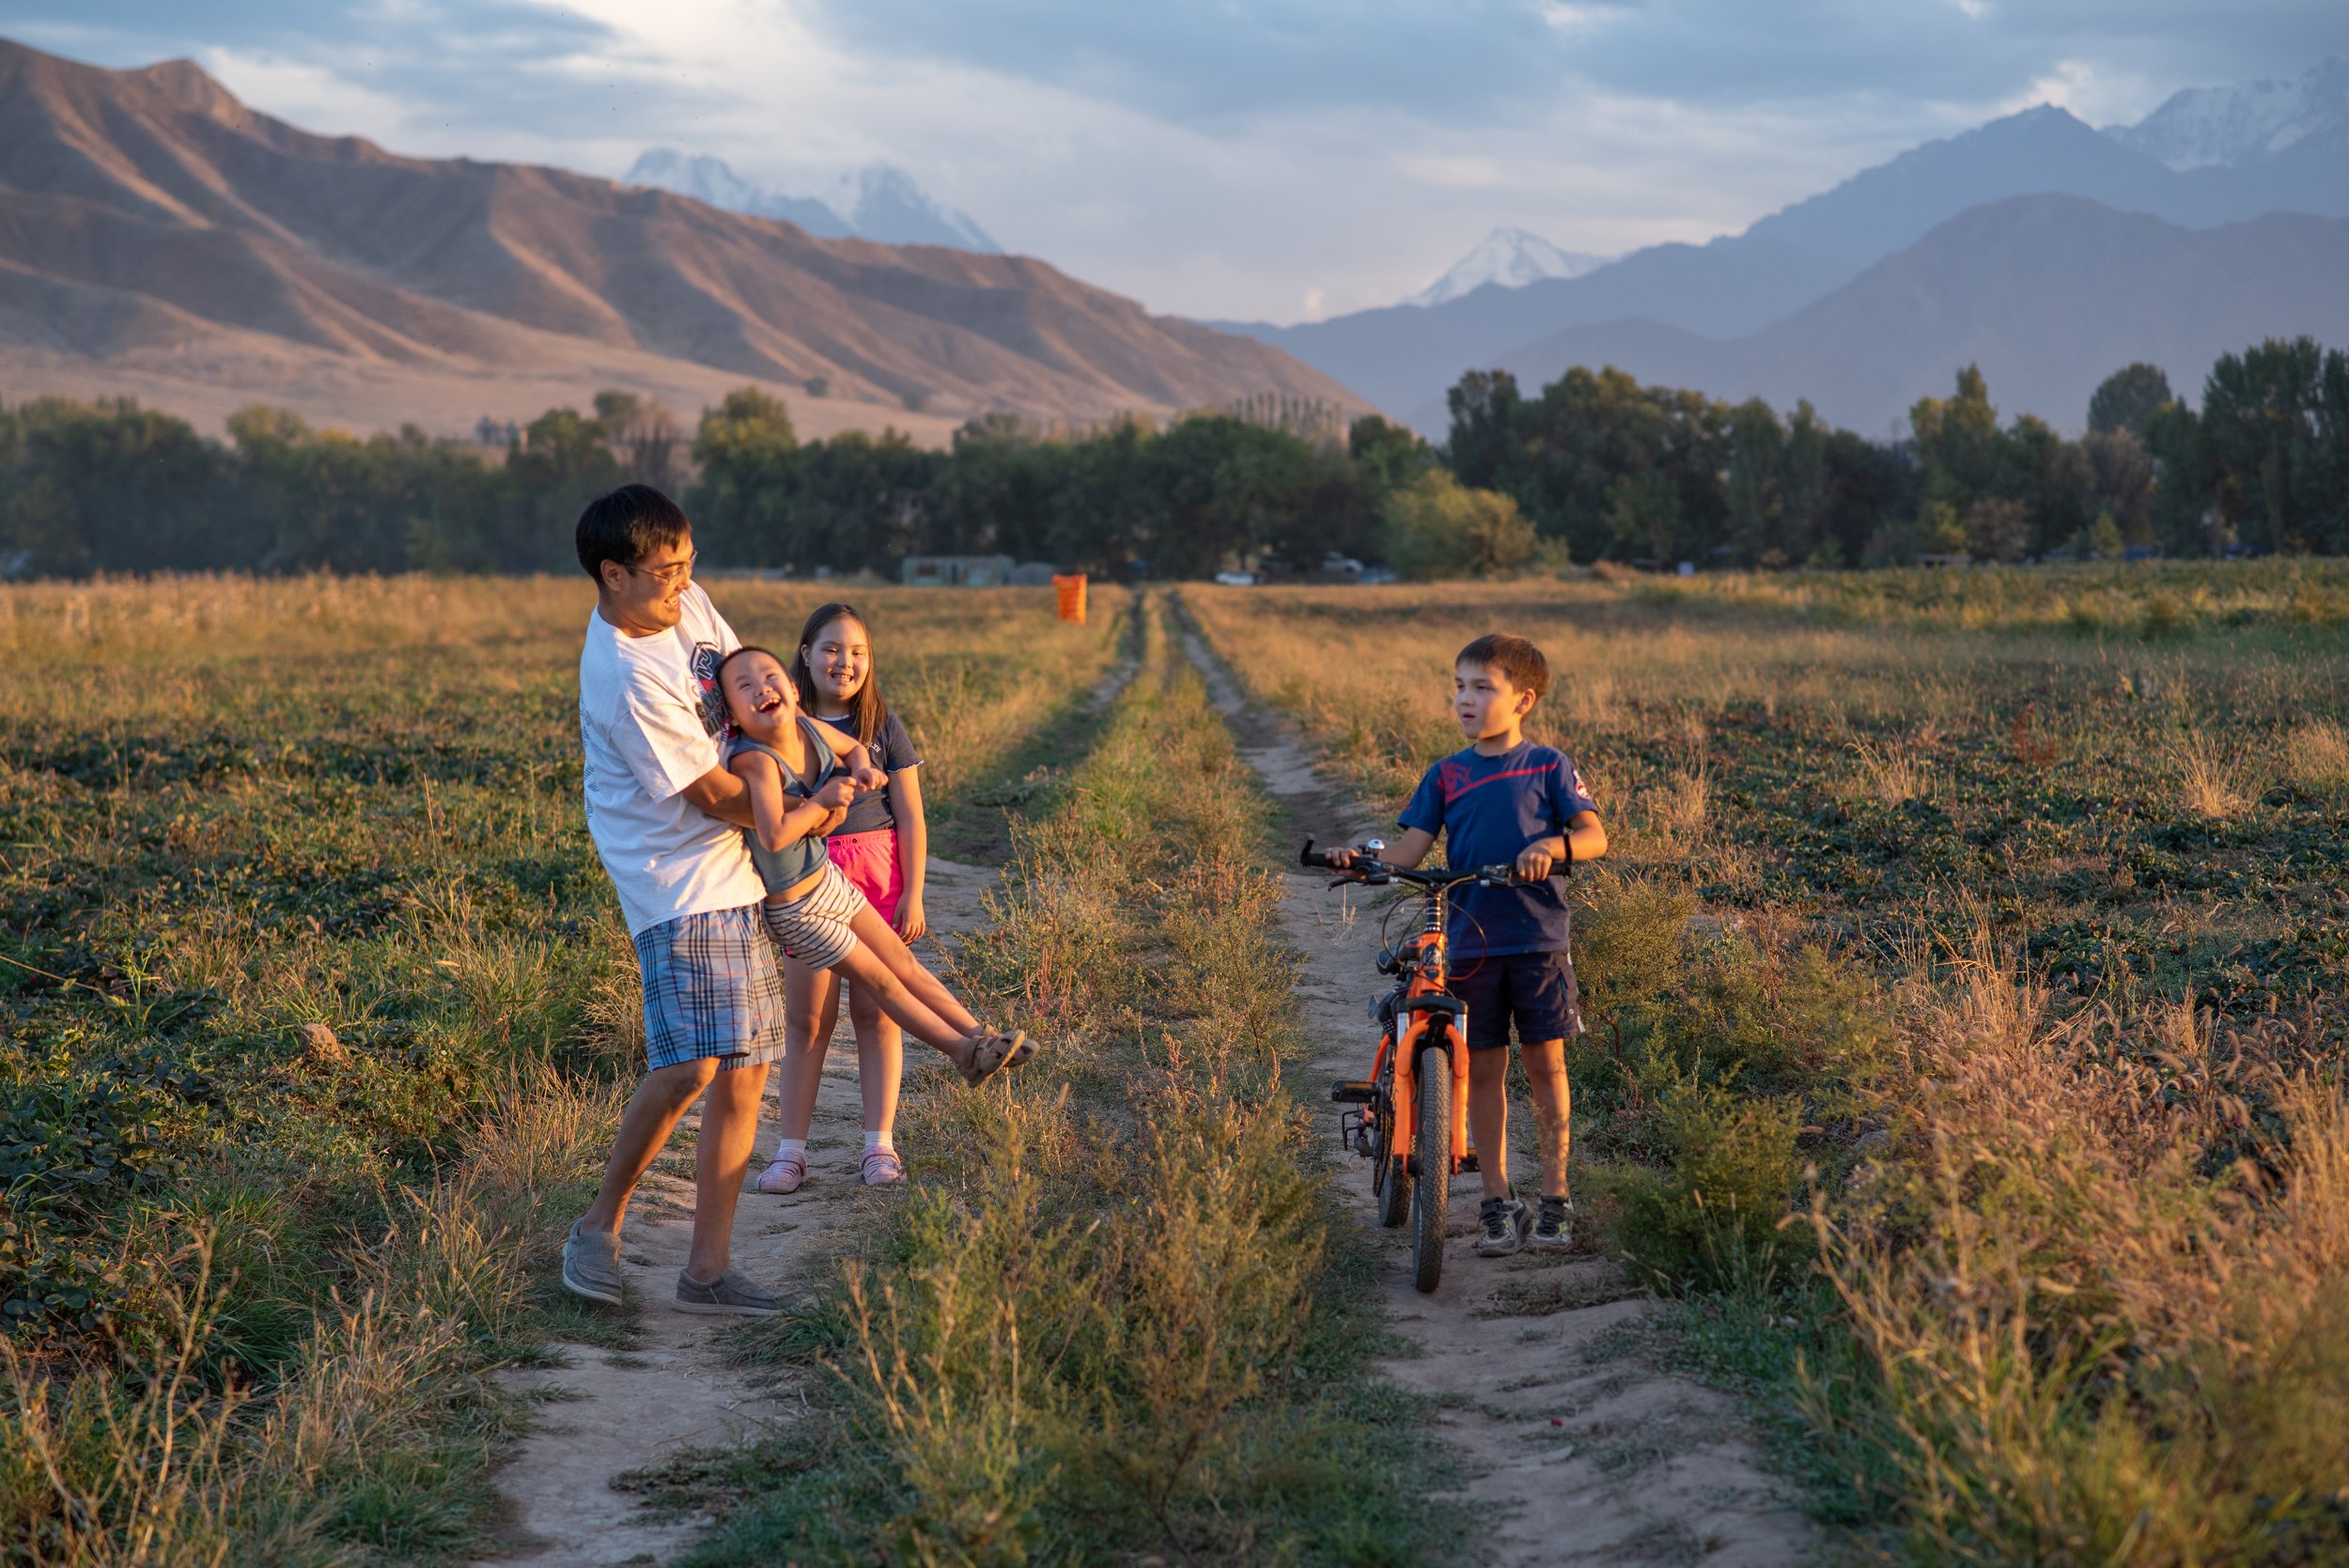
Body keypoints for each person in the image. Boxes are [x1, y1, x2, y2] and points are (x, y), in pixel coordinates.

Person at [561, 484, 786, 1318]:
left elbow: (745, 689)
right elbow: (711, 792)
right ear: (612, 574)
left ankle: (708, 1271)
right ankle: (597, 1226)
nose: (684, 586)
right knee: (690, 1061)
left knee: (748, 1066)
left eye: (691, 565)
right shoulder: (622, 673)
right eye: (665, 573)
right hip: (674, 878)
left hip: (732, 864)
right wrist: (798, 806)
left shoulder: (685, 602)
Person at [1329, 632, 1607, 1258]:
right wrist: (1364, 859)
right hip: (1472, 943)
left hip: (1537, 943)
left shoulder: (1549, 766)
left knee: (1545, 1066)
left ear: (1523, 699)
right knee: (1482, 1070)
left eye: (1483, 687)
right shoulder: (1447, 773)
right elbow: (1409, 850)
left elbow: (1594, 836)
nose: (1466, 698)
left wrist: (1553, 847)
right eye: (1459, 686)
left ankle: (1557, 1198)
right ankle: (1497, 1203)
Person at [713, 645, 1034, 1123]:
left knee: (902, 961)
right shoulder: (753, 762)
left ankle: (983, 1037)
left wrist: (862, 768)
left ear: (793, 689)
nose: (761, 687)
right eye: (744, 686)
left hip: (827, 880)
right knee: (882, 982)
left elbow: (852, 747)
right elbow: (775, 834)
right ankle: (964, 1054)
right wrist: (821, 801)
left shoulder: (805, 725)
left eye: (768, 675)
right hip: (796, 910)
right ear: (732, 717)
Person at [760, 603, 929, 1192]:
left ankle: (879, 1146)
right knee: (808, 1020)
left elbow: (909, 814)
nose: (845, 662)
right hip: (808, 880)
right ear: (804, 654)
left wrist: (913, 894)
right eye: (832, 649)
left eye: (858, 652)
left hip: (878, 880)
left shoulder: (883, 726)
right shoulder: (785, 726)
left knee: (876, 1012)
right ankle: (789, 1153)